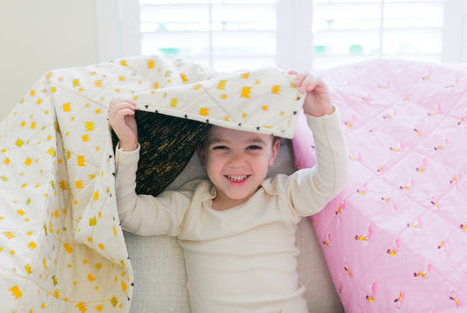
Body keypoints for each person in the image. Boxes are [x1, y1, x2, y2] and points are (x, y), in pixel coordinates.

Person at [108, 72, 348, 313]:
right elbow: (128, 214)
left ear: (273, 152)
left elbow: (330, 181)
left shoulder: (283, 196)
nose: (237, 160)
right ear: (203, 154)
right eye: (222, 147)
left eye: (253, 147)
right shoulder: (190, 207)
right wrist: (128, 146)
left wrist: (320, 114)